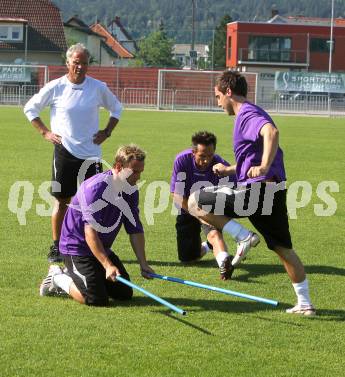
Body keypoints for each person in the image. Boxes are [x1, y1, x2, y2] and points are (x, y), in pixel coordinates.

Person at [188, 71, 315, 316]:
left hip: (256, 190)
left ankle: (243, 237)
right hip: (273, 190)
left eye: (217, 97)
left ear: (228, 92)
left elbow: (271, 133)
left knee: (195, 201)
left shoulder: (246, 113)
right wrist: (230, 169)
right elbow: (252, 158)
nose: (217, 103)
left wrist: (264, 165)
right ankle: (305, 303)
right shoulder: (250, 112)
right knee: (283, 249)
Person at [24, 43, 123, 263]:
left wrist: (107, 131)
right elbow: (30, 108)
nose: (80, 67)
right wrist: (45, 132)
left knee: (94, 202)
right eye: (76, 62)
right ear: (68, 63)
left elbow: (117, 108)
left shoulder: (97, 87)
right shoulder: (56, 87)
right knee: (62, 201)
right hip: (65, 153)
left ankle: (95, 246)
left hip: (92, 155)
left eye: (84, 63)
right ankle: (56, 246)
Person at [39, 144, 155, 306]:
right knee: (96, 299)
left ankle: (83, 276)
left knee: (124, 294)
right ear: (118, 167)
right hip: (77, 249)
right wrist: (107, 265)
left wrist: (143, 264)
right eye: (134, 171)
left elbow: (134, 229)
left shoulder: (131, 190)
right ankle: (57, 277)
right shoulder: (94, 189)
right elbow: (90, 233)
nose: (138, 177)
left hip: (101, 249)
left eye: (140, 172)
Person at [170, 131, 237, 280]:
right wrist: (198, 214)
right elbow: (176, 195)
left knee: (214, 234)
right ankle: (206, 246)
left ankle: (224, 263)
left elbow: (237, 187)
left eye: (210, 155)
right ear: (194, 152)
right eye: (202, 156)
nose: (207, 160)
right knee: (188, 259)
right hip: (186, 207)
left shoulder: (220, 164)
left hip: (210, 207)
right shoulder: (182, 160)